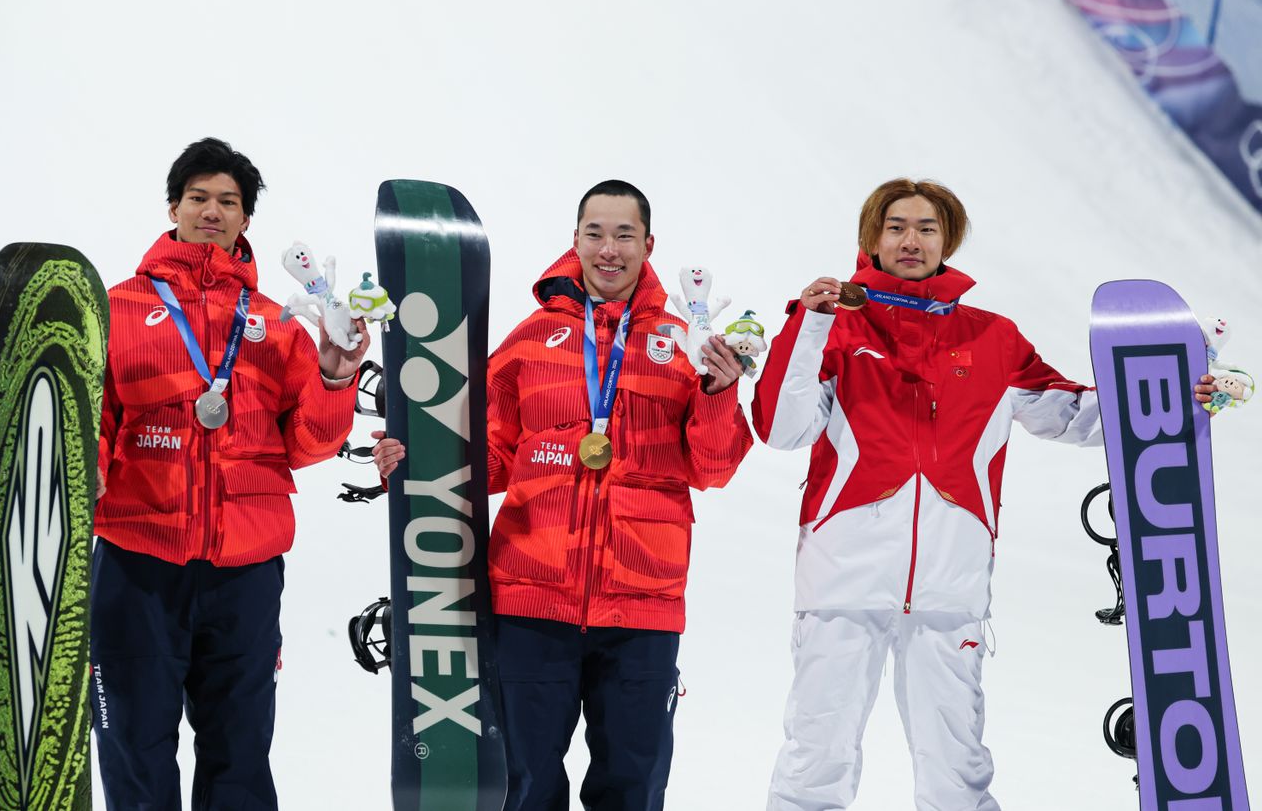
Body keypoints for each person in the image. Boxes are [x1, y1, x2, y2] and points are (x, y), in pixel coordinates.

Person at [751, 177, 1216, 811]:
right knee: (816, 756)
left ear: (948, 240)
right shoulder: (833, 331)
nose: (910, 240)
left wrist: (1170, 397)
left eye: (926, 228)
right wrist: (808, 326)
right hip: (842, 580)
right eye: (895, 227)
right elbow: (782, 428)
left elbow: (1074, 412)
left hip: (950, 584)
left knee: (957, 767)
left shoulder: (992, 338)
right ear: (871, 238)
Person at [375, 179, 753, 811]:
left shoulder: (684, 347)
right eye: (595, 234)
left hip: (642, 605)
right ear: (575, 240)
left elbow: (712, 469)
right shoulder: (530, 340)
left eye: (624, 235)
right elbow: (485, 457)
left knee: (632, 787)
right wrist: (413, 455)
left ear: (648, 244)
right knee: (525, 786)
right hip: (531, 602)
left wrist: (717, 393)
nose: (609, 249)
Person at [91, 137, 369, 810]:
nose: (212, 211)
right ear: (173, 207)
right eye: (198, 198)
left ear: (247, 220)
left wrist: (335, 370)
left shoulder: (274, 323)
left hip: (245, 568)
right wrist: (90, 472)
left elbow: (308, 441)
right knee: (134, 741)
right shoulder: (117, 308)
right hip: (137, 560)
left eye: (229, 202)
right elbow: (93, 416)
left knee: (239, 749)